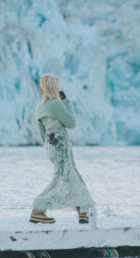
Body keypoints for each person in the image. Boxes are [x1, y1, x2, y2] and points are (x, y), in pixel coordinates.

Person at [30, 74, 94, 224]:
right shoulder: (56, 105)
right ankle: (38, 209)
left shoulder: (40, 108)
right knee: (63, 178)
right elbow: (71, 122)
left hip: (51, 146)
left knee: (69, 175)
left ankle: (82, 210)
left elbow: (42, 134)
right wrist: (66, 102)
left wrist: (50, 148)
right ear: (54, 87)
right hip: (61, 145)